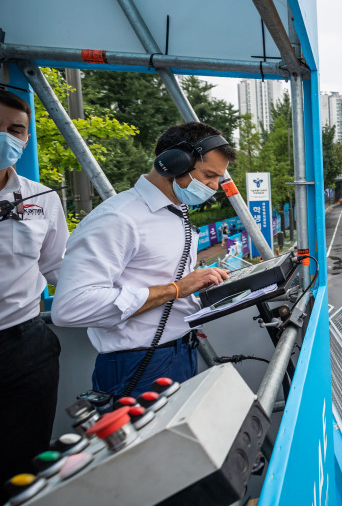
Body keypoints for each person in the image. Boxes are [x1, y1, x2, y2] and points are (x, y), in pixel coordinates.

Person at [53, 122, 234, 399]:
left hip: (180, 353)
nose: (214, 186)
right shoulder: (117, 218)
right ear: (174, 162)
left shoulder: (175, 211)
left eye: (218, 178)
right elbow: (71, 307)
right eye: (209, 175)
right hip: (136, 366)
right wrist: (175, 289)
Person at [0, 89, 69, 485]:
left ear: (25, 139)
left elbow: (59, 267)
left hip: (26, 347)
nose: (5, 136)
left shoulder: (41, 199)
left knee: (24, 466)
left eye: (15, 130)